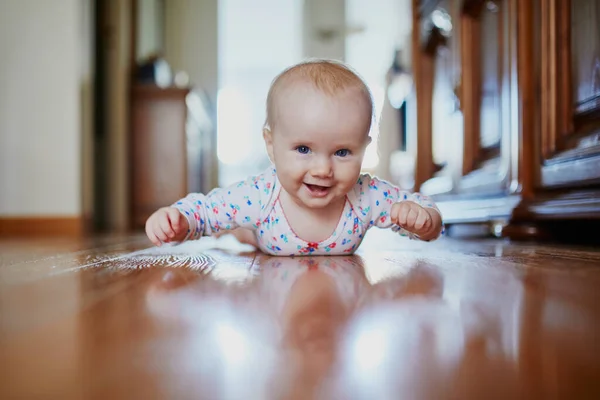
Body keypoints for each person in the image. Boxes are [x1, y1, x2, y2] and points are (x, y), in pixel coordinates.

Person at [145, 59, 444, 256]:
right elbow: (207, 210)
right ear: (271, 146)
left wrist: (423, 220)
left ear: (364, 148)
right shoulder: (261, 194)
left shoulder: (366, 194)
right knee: (241, 229)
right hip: (264, 231)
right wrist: (180, 220)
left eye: (342, 152)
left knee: (243, 224)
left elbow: (423, 209)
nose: (323, 169)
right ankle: (240, 231)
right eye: (303, 149)